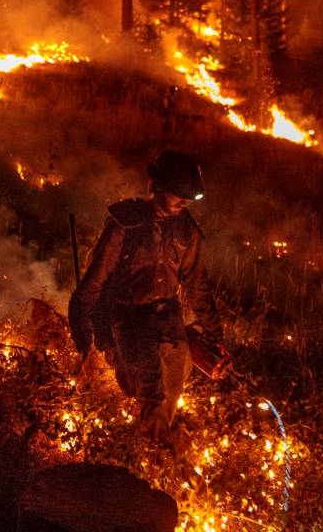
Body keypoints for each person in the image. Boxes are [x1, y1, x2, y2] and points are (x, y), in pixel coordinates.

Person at [68, 151, 222, 443]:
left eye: (189, 196)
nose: (184, 201)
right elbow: (95, 280)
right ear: (158, 186)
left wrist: (216, 335)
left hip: (169, 320)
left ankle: (155, 454)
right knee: (151, 393)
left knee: (171, 397)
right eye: (179, 193)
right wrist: (83, 332)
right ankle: (156, 463)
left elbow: (197, 286)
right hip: (129, 320)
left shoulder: (187, 231)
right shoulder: (126, 224)